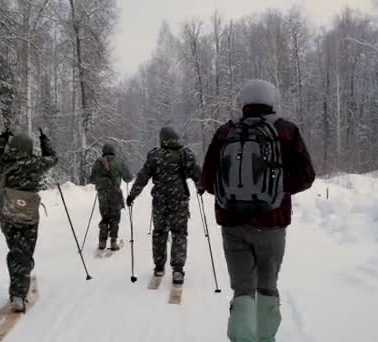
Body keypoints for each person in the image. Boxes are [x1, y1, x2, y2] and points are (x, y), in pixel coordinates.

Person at [199, 80, 315, 342]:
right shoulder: (286, 131)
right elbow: (307, 176)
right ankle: (266, 338)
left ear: (244, 102)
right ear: (272, 101)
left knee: (242, 290)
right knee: (267, 286)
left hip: (232, 226)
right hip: (272, 225)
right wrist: (276, 190)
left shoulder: (225, 132)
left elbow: (207, 180)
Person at [0, 128, 58, 312]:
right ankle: (18, 293)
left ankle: (17, 288)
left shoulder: (2, 163)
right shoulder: (34, 163)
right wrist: (45, 140)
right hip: (28, 217)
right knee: (24, 254)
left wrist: (2, 137)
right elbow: (53, 158)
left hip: (6, 215)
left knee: (16, 250)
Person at [126, 127, 201, 285]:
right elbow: (196, 172)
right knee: (179, 234)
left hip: (160, 201)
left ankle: (159, 267)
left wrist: (133, 194)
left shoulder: (155, 155)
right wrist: (201, 186)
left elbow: (143, 176)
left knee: (159, 233)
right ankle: (178, 270)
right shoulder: (184, 154)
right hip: (179, 201)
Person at [88, 143, 133, 251]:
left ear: (103, 151)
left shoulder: (98, 162)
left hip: (102, 193)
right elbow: (128, 178)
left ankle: (102, 242)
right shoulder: (119, 162)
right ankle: (113, 242)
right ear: (113, 151)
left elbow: (92, 180)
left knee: (105, 217)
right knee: (115, 217)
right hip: (115, 193)